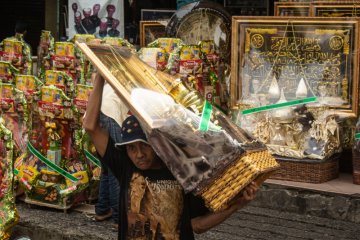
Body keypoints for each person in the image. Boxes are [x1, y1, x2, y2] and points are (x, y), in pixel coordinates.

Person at [83, 73, 259, 240]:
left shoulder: (183, 170)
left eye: (145, 146)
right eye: (131, 148)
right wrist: (100, 77)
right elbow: (91, 126)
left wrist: (237, 205)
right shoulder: (126, 167)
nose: (139, 155)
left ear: (157, 145)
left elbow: (197, 225)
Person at [93, 73, 129, 229]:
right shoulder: (129, 84)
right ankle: (119, 218)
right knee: (117, 168)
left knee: (107, 167)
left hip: (96, 116)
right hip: (110, 116)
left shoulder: (112, 83)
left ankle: (102, 209)